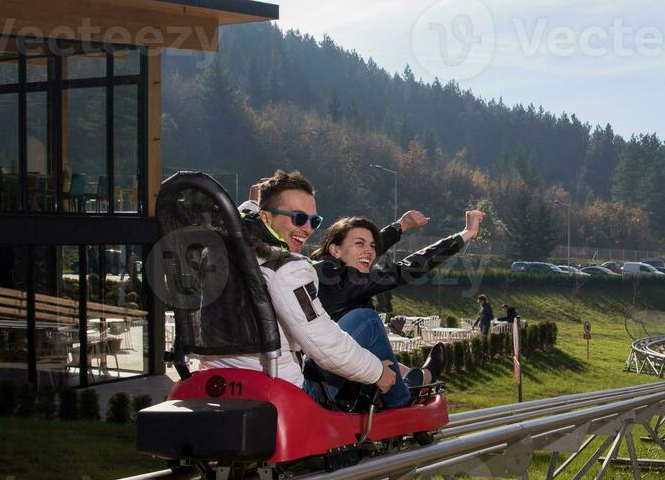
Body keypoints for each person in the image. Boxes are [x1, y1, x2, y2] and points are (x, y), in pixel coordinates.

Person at [202, 171, 429, 410]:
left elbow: (242, 218)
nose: (308, 229)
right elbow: (323, 344)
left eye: (315, 221)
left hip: (216, 380)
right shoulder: (286, 267)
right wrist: (377, 373)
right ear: (266, 218)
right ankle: (401, 400)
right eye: (299, 218)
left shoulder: (217, 254)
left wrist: (253, 203)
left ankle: (404, 381)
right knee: (367, 320)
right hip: (281, 391)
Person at [311, 210, 486, 322]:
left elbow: (368, 246)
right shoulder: (345, 284)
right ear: (335, 250)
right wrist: (466, 233)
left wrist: (401, 226)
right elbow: (407, 269)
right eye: (359, 243)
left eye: (373, 246)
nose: (370, 252)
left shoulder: (324, 271)